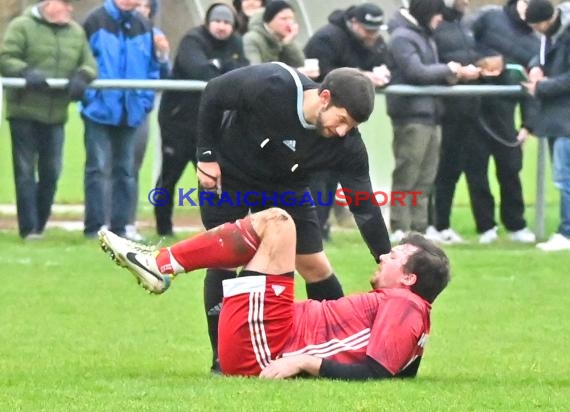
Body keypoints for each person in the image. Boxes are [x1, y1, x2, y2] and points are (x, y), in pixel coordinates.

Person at [194, 63, 391, 372]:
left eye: (351, 126)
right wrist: (205, 155)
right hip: (229, 173)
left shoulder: (348, 145)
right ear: (324, 97)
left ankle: (330, 351)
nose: (342, 131)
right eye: (342, 120)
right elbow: (214, 92)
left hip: (285, 186)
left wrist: (385, 257)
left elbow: (363, 203)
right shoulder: (272, 84)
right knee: (225, 260)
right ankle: (223, 360)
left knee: (315, 265)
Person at [98, 207, 450, 379]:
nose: (385, 254)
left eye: (397, 257)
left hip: (266, 343)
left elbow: (376, 372)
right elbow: (402, 368)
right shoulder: (409, 310)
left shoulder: (407, 305)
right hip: (269, 334)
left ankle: (160, 264)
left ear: (408, 280)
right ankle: (160, 263)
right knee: (269, 229)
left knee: (279, 223)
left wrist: (303, 362)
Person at [0, 0, 97, 239]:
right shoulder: (21, 26)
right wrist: (25, 72)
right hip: (24, 111)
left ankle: (40, 223)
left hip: (56, 114)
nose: (70, 9)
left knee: (51, 172)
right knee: (24, 171)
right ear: (50, 4)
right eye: (65, 3)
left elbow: (89, 63)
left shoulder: (76, 32)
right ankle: (28, 228)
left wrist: (83, 76)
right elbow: (6, 57)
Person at [386, 0, 480, 243]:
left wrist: (452, 74)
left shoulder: (424, 36)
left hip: (431, 115)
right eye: (438, 14)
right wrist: (449, 69)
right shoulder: (402, 37)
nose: (440, 20)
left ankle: (419, 227)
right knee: (407, 172)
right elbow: (415, 71)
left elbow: (428, 72)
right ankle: (399, 226)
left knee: (426, 177)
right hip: (411, 116)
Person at [154, 2, 249, 236]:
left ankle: (219, 227)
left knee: (214, 178)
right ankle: (163, 228)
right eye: (217, 21)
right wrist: (225, 67)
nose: (221, 27)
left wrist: (219, 65)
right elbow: (200, 71)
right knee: (169, 177)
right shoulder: (192, 39)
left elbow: (243, 70)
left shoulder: (235, 42)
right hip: (178, 121)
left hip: (210, 125)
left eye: (227, 22)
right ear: (208, 22)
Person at [304, 2, 391, 242]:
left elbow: (387, 61)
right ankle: (313, 229)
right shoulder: (326, 38)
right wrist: (363, 75)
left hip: (344, 120)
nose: (372, 35)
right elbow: (323, 76)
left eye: (375, 30)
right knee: (317, 178)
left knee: (333, 177)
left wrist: (382, 73)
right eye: (367, 30)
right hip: (323, 118)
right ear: (353, 23)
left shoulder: (372, 42)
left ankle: (321, 227)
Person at [81, 0, 160, 239]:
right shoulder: (94, 20)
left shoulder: (144, 25)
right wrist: (90, 98)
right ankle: (94, 227)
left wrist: (145, 101)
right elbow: (82, 61)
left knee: (125, 171)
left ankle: (120, 227)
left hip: (131, 111)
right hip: (100, 109)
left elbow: (152, 67)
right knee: (97, 169)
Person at [429, 0, 503, 244]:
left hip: (472, 108)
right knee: (446, 171)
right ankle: (439, 225)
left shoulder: (466, 24)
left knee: (477, 167)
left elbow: (470, 52)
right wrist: (459, 71)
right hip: (449, 111)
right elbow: (434, 64)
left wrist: (484, 62)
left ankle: (487, 226)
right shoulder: (436, 25)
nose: (467, 2)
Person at [469, 0, 539, 244]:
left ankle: (516, 225)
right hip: (474, 112)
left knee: (510, 172)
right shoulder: (489, 17)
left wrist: (528, 125)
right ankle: (485, 227)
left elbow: (530, 88)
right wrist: (481, 61)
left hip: (506, 117)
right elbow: (465, 42)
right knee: (476, 173)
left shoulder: (533, 41)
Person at [522, 0, 570, 251]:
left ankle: (567, 232)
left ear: (547, 20)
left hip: (566, 121)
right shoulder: (552, 36)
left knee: (565, 178)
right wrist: (535, 67)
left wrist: (541, 87)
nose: (536, 31)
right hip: (558, 118)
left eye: (537, 25)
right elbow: (541, 57)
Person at [126, 0, 172, 241]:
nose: (140, 8)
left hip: (140, 108)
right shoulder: (112, 27)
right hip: (111, 108)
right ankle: (101, 220)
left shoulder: (155, 35)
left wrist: (163, 55)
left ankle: (127, 221)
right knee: (104, 167)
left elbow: (165, 76)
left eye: (146, 5)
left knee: (132, 167)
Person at [243, 0, 304, 68]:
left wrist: (288, 43)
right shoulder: (252, 39)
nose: (289, 23)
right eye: (284, 19)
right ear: (269, 21)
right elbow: (255, 70)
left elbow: (300, 64)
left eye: (291, 18)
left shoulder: (286, 37)